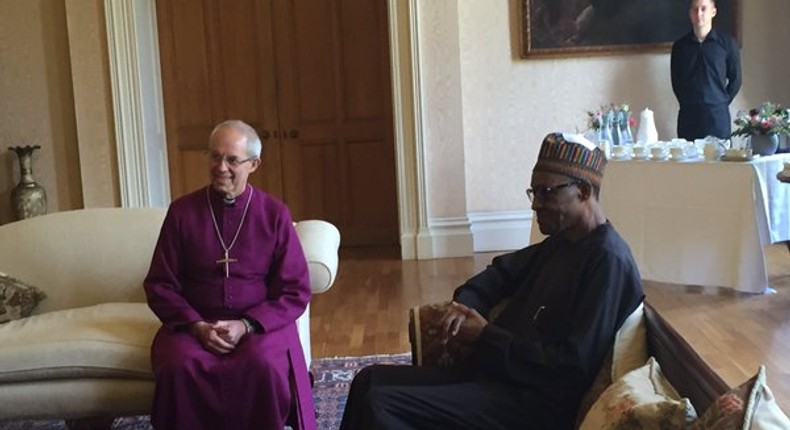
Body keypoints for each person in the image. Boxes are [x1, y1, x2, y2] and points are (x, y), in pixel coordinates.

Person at [339, 133, 644, 430]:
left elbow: (571, 366)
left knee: (381, 404)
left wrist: (486, 336)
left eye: (546, 192)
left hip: (532, 404)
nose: (535, 203)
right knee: (369, 380)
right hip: (497, 377)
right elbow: (501, 272)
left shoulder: (608, 261)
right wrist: (465, 304)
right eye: (533, 192)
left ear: (583, 191)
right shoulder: (564, 241)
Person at [144, 120, 316, 430]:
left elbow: (295, 290)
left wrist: (246, 324)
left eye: (232, 160)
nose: (220, 167)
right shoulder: (182, 212)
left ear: (254, 164)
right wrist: (197, 326)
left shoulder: (274, 214)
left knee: (262, 365)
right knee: (179, 366)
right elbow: (160, 284)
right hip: (193, 324)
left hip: (259, 325)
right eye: (214, 157)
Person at [671, 0, 741, 141]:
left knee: (719, 161)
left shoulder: (727, 43)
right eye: (695, 9)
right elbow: (676, 81)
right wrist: (687, 101)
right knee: (687, 161)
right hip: (688, 117)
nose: (699, 14)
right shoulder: (679, 47)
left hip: (717, 118)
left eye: (703, 9)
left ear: (713, 12)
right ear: (690, 13)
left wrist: (721, 101)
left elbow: (736, 79)